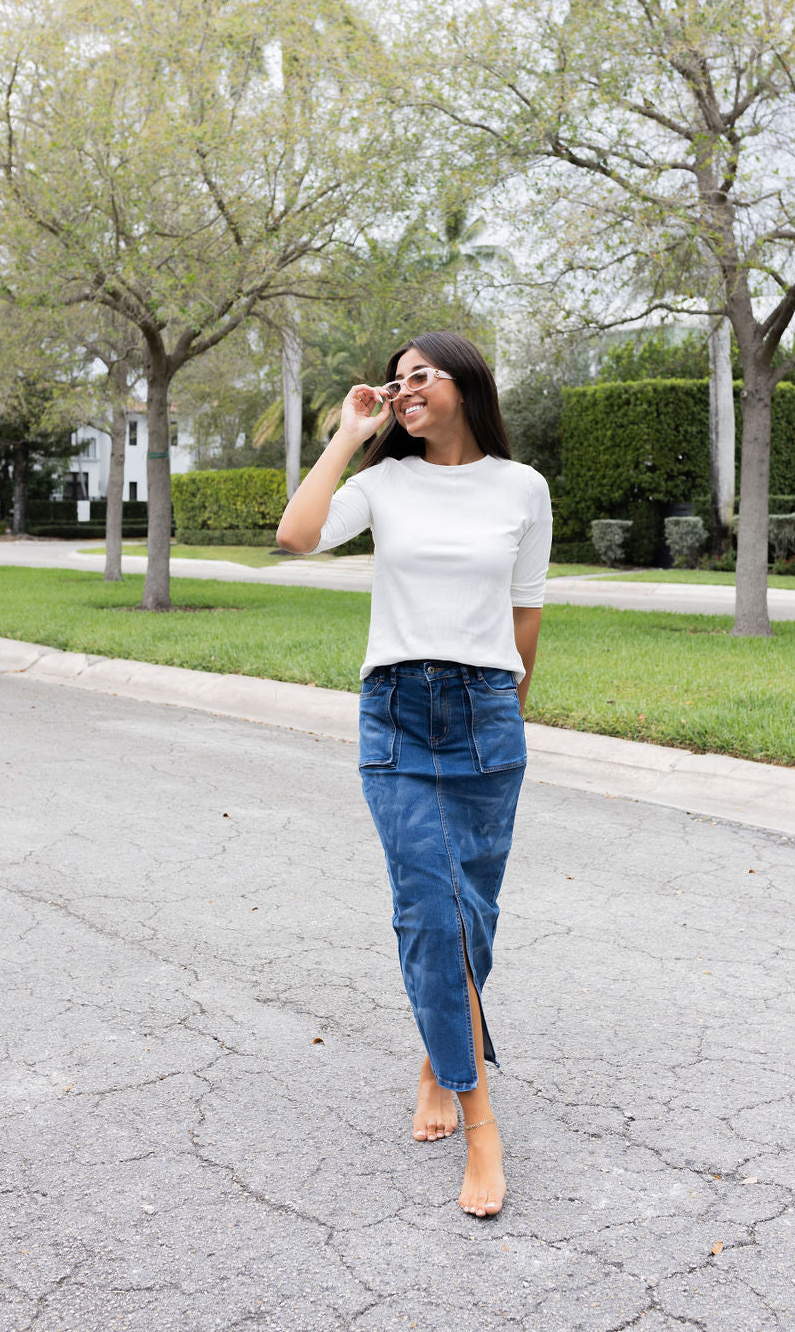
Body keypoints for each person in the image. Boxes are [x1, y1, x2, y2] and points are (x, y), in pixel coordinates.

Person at [276, 330, 552, 1218]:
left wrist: (507, 713)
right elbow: (295, 535)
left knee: (474, 917)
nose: (404, 390)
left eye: (420, 376)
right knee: (431, 913)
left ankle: (439, 1058)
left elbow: (526, 616)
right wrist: (349, 434)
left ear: (465, 383)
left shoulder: (522, 487)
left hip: (486, 715)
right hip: (397, 715)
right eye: (396, 382)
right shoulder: (384, 483)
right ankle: (482, 1125)